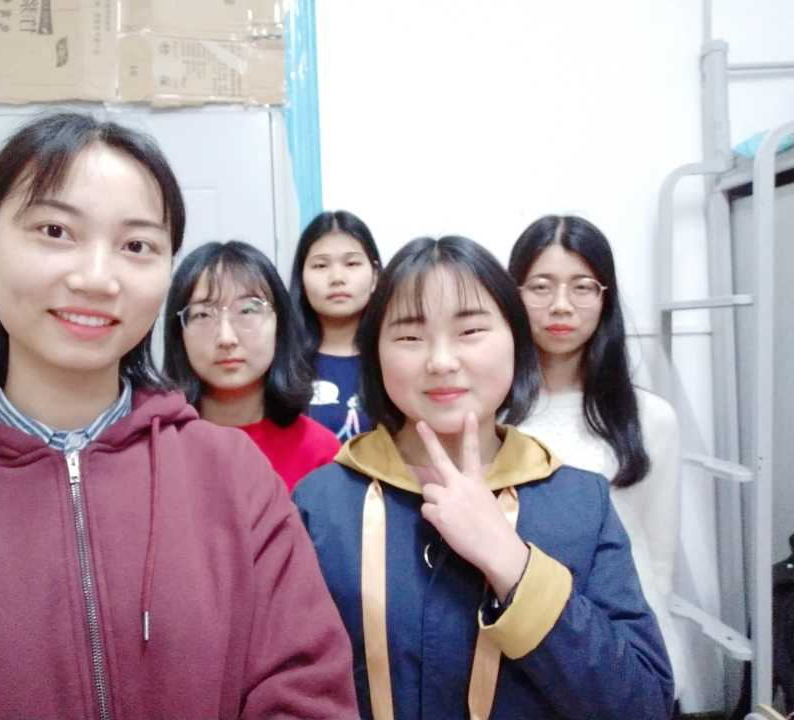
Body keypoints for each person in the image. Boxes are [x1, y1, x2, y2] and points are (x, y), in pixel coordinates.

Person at [0, 112, 357, 720]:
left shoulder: (234, 477)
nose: (96, 278)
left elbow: (306, 690)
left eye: (136, 246)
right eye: (55, 230)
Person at [293, 236, 674, 719]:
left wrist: (514, 565)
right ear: (376, 354)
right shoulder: (321, 503)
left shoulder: (580, 500)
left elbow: (643, 703)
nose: (441, 361)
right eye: (410, 337)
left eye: (470, 331)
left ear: (517, 340)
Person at [508, 214, 686, 699]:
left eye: (582, 286)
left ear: (605, 297)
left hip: (619, 651)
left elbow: (657, 563)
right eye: (540, 286)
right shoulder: (490, 417)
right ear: (513, 294)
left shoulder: (650, 418)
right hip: (519, 641)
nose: (561, 305)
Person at [163, 240, 340, 491]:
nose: (226, 338)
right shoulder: (158, 446)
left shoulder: (320, 452)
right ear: (178, 333)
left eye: (247, 310)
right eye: (203, 314)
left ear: (280, 324)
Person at [289, 210, 381, 441]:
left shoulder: (393, 357)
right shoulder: (282, 359)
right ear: (301, 278)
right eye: (321, 266)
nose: (337, 278)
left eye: (351, 263)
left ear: (375, 276)